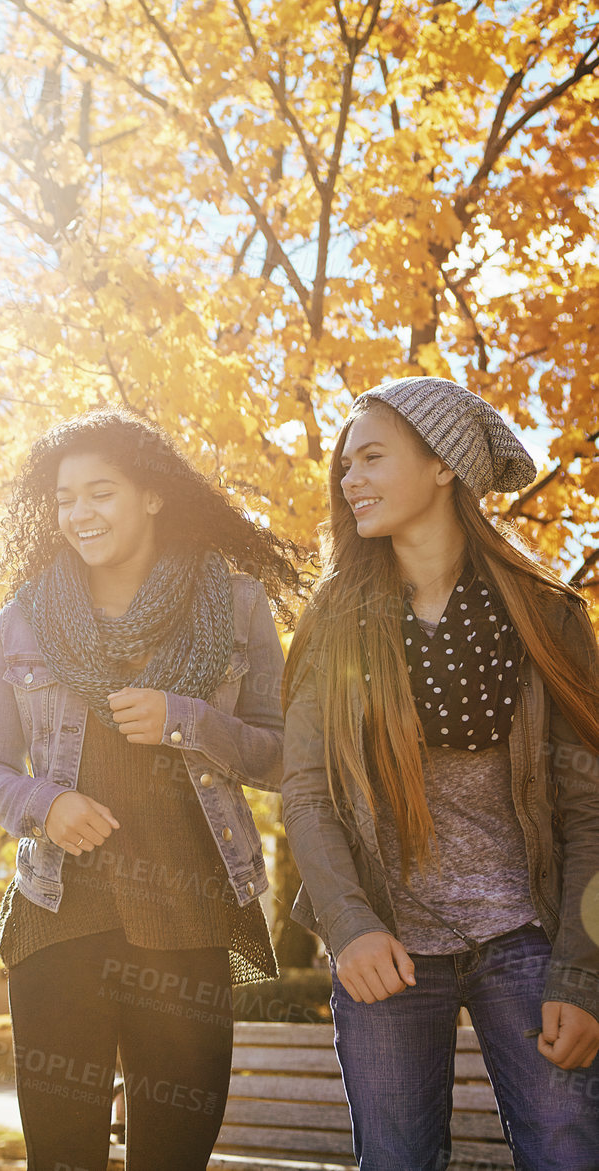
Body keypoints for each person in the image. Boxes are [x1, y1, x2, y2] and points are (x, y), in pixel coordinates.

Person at [0, 407, 305, 1171]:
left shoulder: (234, 603)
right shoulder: (22, 619)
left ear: (151, 494)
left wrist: (186, 719)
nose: (77, 513)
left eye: (100, 492)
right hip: (58, 917)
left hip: (189, 920)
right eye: (64, 498)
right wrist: (43, 804)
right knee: (61, 1159)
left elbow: (284, 759)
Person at [281, 376, 599, 1170]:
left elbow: (590, 808)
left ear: (443, 465)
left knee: (567, 1149)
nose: (349, 478)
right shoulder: (334, 622)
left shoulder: (544, 611)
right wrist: (348, 925)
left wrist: (582, 970)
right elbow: (307, 790)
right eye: (343, 465)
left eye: (371, 457)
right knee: (394, 1160)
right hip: (386, 942)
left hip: (526, 936)